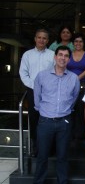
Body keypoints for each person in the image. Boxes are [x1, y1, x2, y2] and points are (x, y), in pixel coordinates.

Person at [32, 46, 80, 184]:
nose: (63, 58)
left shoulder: (73, 78)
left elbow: (74, 99)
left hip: (64, 123)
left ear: (69, 59)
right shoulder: (41, 76)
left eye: (66, 56)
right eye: (60, 55)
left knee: (62, 157)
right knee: (42, 157)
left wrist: (63, 113)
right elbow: (37, 99)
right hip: (45, 121)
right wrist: (45, 111)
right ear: (55, 57)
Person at [19, 28, 55, 157]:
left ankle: (50, 147)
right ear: (35, 39)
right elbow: (23, 73)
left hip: (49, 91)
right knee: (34, 119)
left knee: (48, 118)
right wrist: (34, 85)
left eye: (44, 38)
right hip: (33, 90)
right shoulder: (27, 55)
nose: (41, 40)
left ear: (48, 40)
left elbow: (56, 72)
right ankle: (36, 147)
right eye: (39, 37)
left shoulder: (52, 54)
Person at [67, 33, 85, 140]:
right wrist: (71, 80)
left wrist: (76, 78)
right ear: (73, 43)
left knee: (82, 109)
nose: (78, 43)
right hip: (68, 85)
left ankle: (82, 136)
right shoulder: (68, 54)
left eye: (80, 41)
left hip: (84, 86)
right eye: (76, 41)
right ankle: (71, 135)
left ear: (84, 43)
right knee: (70, 109)